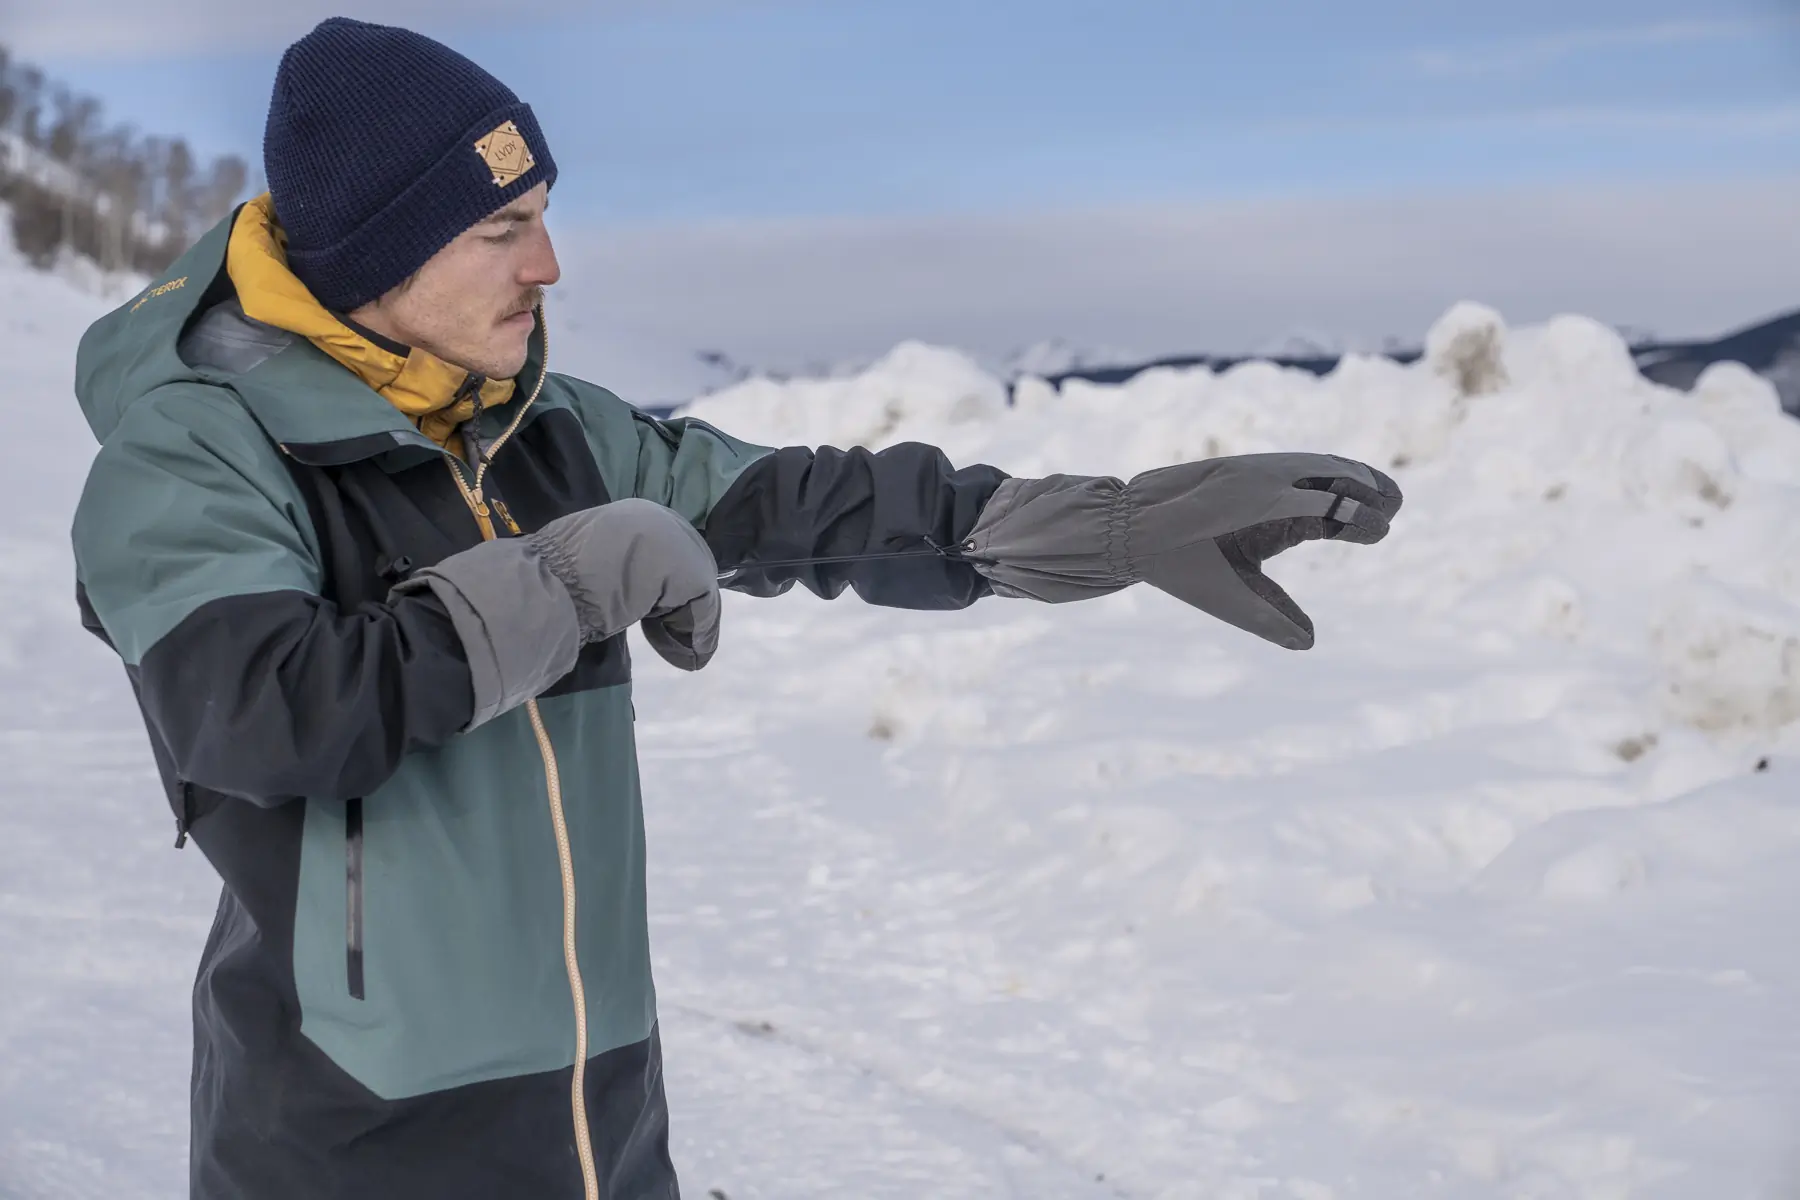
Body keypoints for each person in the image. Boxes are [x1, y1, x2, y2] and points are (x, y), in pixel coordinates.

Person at [69, 17, 1402, 1200]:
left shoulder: (550, 429)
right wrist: (568, 580)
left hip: (600, 1119)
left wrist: (1098, 526)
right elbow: (259, 715)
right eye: (498, 230)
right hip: (345, 1140)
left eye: (543, 211)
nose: (546, 264)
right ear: (377, 253)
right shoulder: (197, 449)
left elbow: (795, 506)